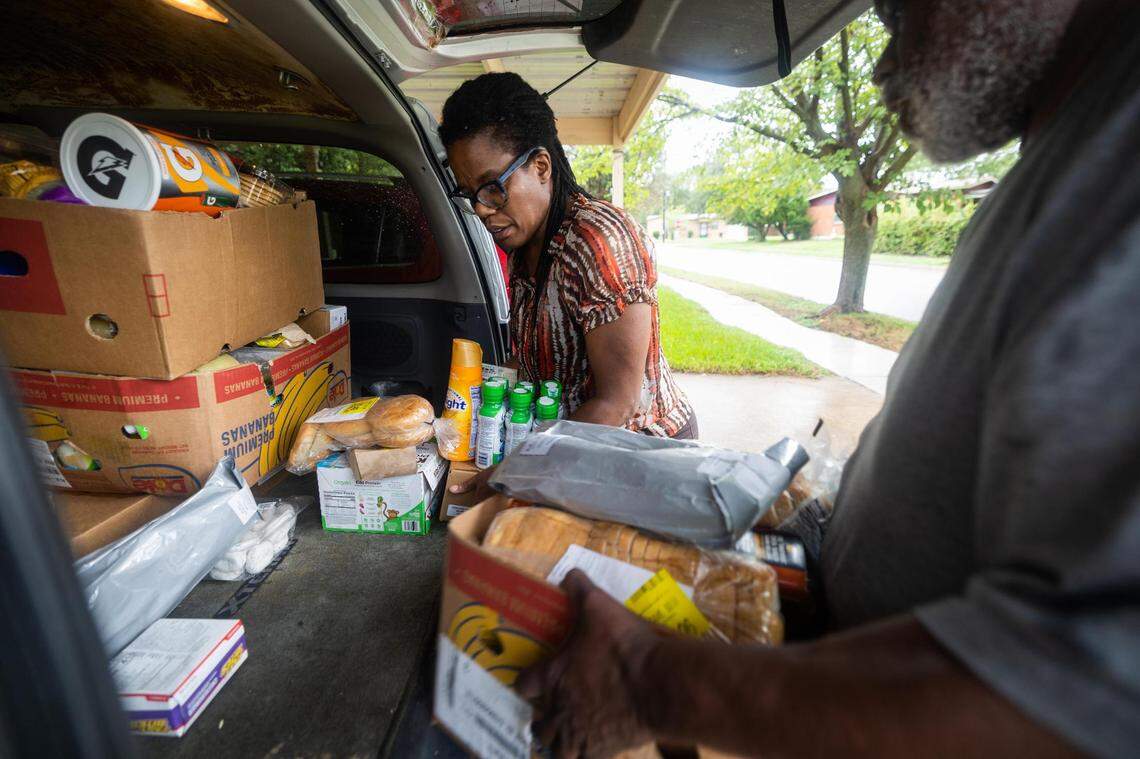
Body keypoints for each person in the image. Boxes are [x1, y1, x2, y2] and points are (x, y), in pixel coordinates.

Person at [517, 0, 1140, 756]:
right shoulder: (1070, 146)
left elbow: (1079, 699)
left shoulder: (1120, 165)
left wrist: (649, 679)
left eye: (898, 9)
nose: (883, 60)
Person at [438, 73, 696, 453]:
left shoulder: (600, 242)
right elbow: (529, 359)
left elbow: (617, 404)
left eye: (493, 187)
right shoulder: (527, 243)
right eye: (470, 193)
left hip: (643, 451)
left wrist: (521, 463)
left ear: (541, 167)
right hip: (572, 446)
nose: (480, 209)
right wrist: (473, 411)